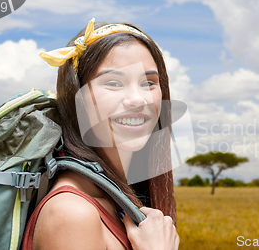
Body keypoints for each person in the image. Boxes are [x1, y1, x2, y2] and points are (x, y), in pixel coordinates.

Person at [21, 18, 179, 250]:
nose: (138, 99)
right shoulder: (72, 213)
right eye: (114, 83)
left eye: (149, 83)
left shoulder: (117, 200)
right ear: (77, 97)